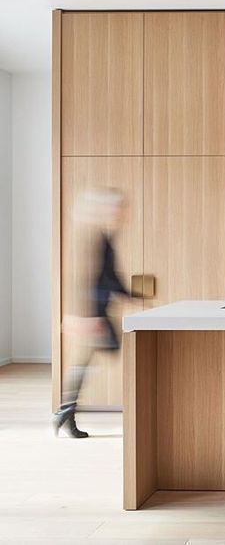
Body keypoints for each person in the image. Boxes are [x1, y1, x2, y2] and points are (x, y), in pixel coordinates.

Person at [53, 187, 129, 438]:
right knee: (102, 352)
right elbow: (89, 278)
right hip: (92, 311)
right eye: (119, 207)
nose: (122, 212)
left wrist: (130, 295)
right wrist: (88, 315)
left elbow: (109, 276)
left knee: (84, 359)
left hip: (95, 310)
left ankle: (66, 412)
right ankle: (65, 411)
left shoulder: (102, 235)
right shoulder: (94, 236)